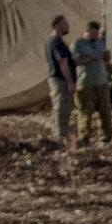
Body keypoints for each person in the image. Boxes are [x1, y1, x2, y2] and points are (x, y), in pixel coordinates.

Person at [72, 18, 112, 145]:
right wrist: (88, 59)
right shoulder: (78, 44)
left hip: (101, 82)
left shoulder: (101, 42)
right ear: (87, 31)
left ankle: (105, 138)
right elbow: (74, 62)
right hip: (85, 84)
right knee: (86, 113)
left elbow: (107, 60)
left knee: (105, 111)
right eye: (93, 34)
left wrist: (107, 57)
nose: (95, 37)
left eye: (97, 34)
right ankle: (84, 138)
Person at [45, 15, 79, 144]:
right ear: (57, 25)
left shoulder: (56, 41)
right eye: (65, 23)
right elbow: (62, 63)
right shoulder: (56, 42)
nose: (67, 26)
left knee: (61, 107)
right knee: (61, 107)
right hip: (60, 79)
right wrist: (70, 81)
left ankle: (57, 134)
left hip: (59, 79)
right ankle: (60, 136)